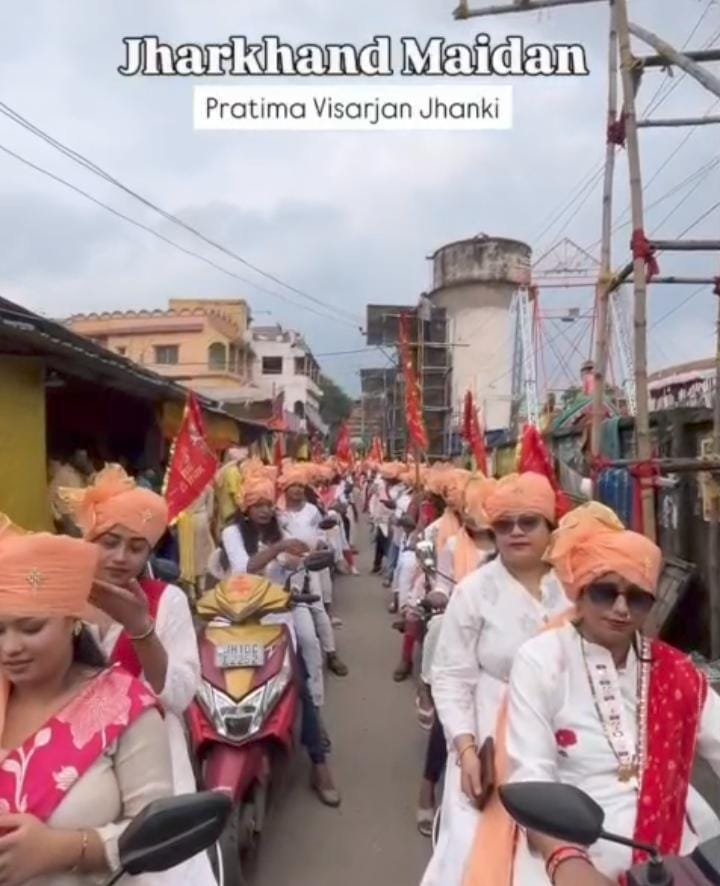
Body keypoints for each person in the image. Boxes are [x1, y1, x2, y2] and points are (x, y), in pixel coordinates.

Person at [471, 503, 720, 886]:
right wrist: (565, 861)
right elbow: (533, 771)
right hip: (569, 847)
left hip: (672, 845)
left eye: (637, 598)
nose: (621, 608)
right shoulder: (541, 660)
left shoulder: (677, 671)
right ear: (580, 594)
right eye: (606, 593)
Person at [59, 464, 217, 885]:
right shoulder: (58, 603)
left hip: (156, 762)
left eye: (136, 547)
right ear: (86, 539)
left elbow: (179, 696)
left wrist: (140, 628)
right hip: (71, 768)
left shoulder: (168, 602)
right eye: (108, 543)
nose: (120, 558)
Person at [0, 515, 173, 886]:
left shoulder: (121, 703)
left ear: (72, 620)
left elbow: (159, 834)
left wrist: (63, 850)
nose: (10, 648)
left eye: (31, 628)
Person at [421, 472, 570, 886]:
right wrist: (467, 752)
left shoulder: (577, 588)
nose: (516, 532)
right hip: (489, 742)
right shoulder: (474, 592)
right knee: (473, 851)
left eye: (529, 522)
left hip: (567, 739)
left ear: (550, 527)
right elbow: (450, 678)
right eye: (505, 524)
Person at [220, 471, 340, 806]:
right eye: (256, 504)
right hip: (240, 620)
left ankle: (319, 763)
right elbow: (245, 568)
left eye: (267, 504)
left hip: (279, 620)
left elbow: (293, 562)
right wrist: (281, 547)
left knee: (298, 683)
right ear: (246, 507)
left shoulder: (281, 530)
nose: (262, 510)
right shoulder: (233, 533)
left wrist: (304, 556)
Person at [416, 476, 498, 836]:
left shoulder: (541, 571)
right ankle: (427, 790)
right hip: (460, 628)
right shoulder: (449, 542)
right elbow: (442, 584)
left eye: (528, 523)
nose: (516, 534)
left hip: (509, 662)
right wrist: (440, 597)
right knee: (447, 724)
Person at [277, 464, 348, 676]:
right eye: (293, 486)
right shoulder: (277, 513)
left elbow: (320, 533)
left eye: (301, 485)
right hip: (285, 569)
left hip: (312, 566)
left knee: (318, 610)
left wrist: (319, 544)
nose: (298, 490)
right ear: (285, 489)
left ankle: (331, 654)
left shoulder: (312, 510)